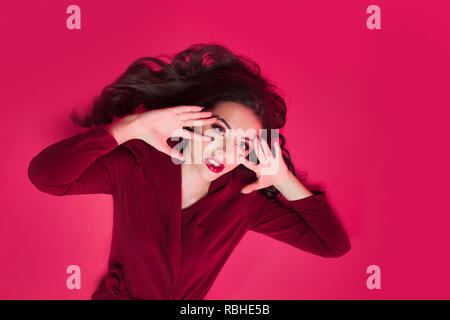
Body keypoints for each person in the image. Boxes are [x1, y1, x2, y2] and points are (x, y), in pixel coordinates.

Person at [27, 43, 351, 300]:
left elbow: (332, 246)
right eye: (219, 131)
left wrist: (281, 176)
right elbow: (46, 177)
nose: (225, 153)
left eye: (242, 145)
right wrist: (132, 127)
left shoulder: (244, 198)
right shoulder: (139, 163)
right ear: (192, 119)